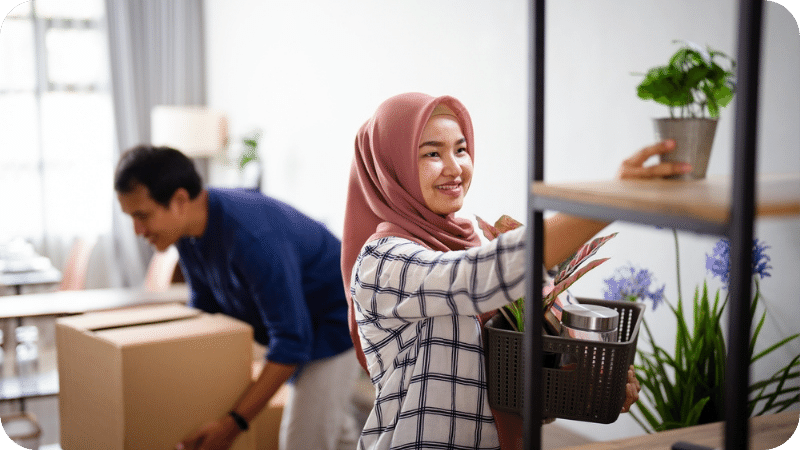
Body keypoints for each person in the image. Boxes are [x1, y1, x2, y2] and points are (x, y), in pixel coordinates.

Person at [341, 92, 691, 449]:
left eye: (461, 150)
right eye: (432, 153)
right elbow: (477, 276)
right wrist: (609, 200)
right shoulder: (383, 262)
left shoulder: (470, 241)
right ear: (392, 166)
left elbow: (513, 380)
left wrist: (595, 381)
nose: (454, 167)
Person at [114, 145, 360, 450]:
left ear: (179, 201)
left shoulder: (252, 237)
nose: (137, 230)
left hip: (336, 322)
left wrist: (233, 425)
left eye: (142, 216)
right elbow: (208, 314)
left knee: (301, 442)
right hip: (295, 326)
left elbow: (292, 342)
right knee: (332, 427)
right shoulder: (188, 233)